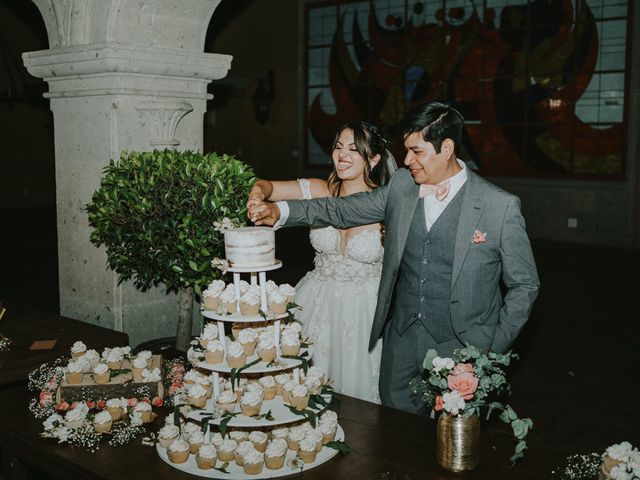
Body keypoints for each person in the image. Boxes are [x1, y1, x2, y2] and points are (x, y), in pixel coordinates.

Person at [248, 102, 540, 414]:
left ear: (447, 148)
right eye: (405, 150)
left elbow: (525, 285)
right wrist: (281, 211)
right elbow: (341, 209)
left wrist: (493, 347)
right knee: (392, 426)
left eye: (417, 151)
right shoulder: (402, 186)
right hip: (401, 339)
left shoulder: (499, 206)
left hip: (463, 344)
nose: (406, 160)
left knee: (451, 441)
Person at [246, 121, 396, 403]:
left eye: (354, 149)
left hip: (365, 309)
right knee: (297, 387)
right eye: (338, 147)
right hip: (315, 302)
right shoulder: (318, 189)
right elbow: (267, 186)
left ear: (374, 159)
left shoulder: (387, 203)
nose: (342, 155)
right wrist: (257, 194)